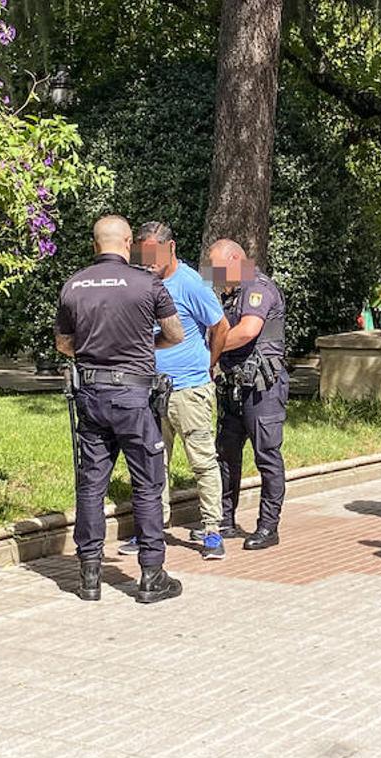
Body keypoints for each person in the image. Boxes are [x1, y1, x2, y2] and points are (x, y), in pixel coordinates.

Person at [53, 215, 185, 604]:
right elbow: (175, 333)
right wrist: (143, 347)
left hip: (91, 396)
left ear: (95, 244)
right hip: (133, 397)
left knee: (91, 484)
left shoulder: (74, 285)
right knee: (147, 482)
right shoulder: (148, 283)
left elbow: (63, 343)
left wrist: (95, 353)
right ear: (128, 243)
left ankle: (89, 575)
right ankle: (151, 575)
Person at [117, 222, 230, 561]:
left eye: (154, 253)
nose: (148, 260)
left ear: (171, 248)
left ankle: (212, 531)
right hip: (151, 390)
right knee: (153, 463)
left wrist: (209, 365)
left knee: (202, 461)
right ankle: (153, 530)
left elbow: (220, 326)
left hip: (189, 390)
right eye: (143, 254)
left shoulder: (191, 283)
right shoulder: (142, 283)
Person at [209, 239, 289, 551]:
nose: (214, 274)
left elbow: (247, 330)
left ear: (234, 260)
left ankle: (268, 526)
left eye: (217, 267)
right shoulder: (230, 295)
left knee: (266, 455)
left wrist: (209, 353)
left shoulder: (258, 287)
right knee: (226, 455)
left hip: (261, 388)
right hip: (233, 386)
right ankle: (225, 520)